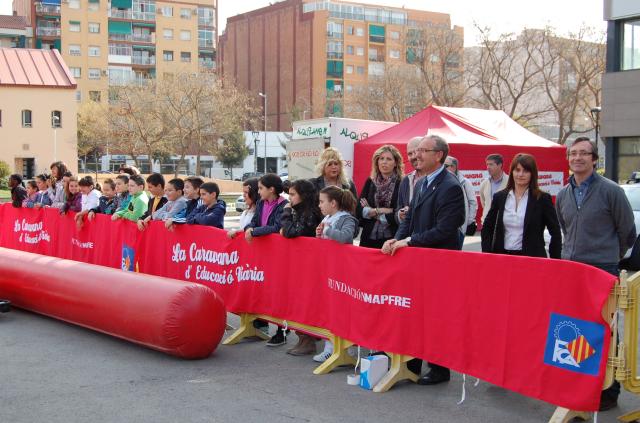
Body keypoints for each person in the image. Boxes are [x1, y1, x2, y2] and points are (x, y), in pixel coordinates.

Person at [556, 137, 636, 411]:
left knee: (605, 330)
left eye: (583, 153)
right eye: (573, 153)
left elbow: (627, 232)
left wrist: (609, 256)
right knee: (574, 328)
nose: (577, 158)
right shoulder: (563, 194)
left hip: (602, 270)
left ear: (594, 159)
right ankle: (579, 384)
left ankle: (608, 391)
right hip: (572, 271)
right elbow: (566, 229)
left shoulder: (611, 191)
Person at [381, 134, 465, 384]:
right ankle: (413, 361)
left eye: (423, 151)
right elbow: (409, 219)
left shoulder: (450, 186)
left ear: (438, 155)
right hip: (418, 262)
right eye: (416, 151)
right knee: (416, 314)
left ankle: (439, 368)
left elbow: (446, 229)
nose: (416, 155)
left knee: (436, 317)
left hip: (439, 263)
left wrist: (409, 241)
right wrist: (396, 239)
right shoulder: (421, 183)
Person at [481, 153, 561, 258]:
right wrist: (487, 254)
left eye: (526, 171)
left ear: (532, 173)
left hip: (532, 259)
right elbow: (487, 227)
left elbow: (555, 232)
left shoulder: (542, 199)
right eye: (517, 170)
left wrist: (555, 260)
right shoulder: (500, 197)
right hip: (503, 257)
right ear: (512, 172)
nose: (520, 174)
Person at [313, 185, 359, 363]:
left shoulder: (346, 218)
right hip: (328, 269)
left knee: (342, 309)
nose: (319, 205)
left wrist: (326, 231)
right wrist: (319, 234)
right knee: (329, 309)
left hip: (342, 272)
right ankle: (330, 347)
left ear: (333, 203)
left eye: (322, 202)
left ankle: (347, 347)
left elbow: (345, 237)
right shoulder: (327, 218)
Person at [279, 179, 324, 356]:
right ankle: (303, 337)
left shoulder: (310, 213)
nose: (289, 198)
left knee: (306, 301)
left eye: (293, 194)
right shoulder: (301, 210)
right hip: (301, 263)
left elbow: (291, 232)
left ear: (303, 195)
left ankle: (308, 340)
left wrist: (286, 212)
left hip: (311, 264)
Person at [244, 173, 289, 346]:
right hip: (264, 254)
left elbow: (277, 227)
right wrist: (249, 228)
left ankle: (281, 331)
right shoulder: (261, 203)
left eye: (261, 188)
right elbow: (255, 221)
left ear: (271, 189)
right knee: (264, 289)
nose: (258, 191)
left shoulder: (283, 205)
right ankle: (262, 323)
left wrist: (254, 232)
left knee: (279, 292)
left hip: (279, 255)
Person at [358, 145, 404, 249]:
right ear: (377, 162)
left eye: (389, 159)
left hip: (392, 238)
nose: (384, 162)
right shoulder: (370, 181)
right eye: (381, 158)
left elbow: (399, 213)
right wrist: (382, 210)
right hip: (368, 236)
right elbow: (359, 209)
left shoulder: (402, 183)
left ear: (395, 163)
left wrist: (372, 211)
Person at [445, 155, 479, 243]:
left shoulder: (465, 182)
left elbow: (473, 202)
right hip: (445, 226)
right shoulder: (442, 182)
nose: (442, 169)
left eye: (445, 166)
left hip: (459, 228)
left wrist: (468, 221)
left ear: (453, 167)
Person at [396, 137, 427, 223]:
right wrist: (400, 215)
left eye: (416, 151)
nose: (413, 156)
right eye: (410, 154)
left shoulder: (441, 178)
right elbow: (398, 209)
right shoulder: (406, 180)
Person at [479, 154, 508, 223]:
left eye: (491, 164)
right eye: (487, 164)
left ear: (500, 165)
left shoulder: (510, 182)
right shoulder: (484, 183)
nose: (488, 167)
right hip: (486, 222)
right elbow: (484, 203)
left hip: (504, 222)